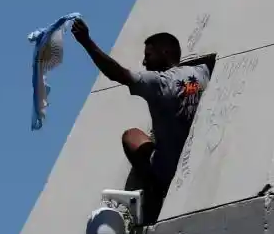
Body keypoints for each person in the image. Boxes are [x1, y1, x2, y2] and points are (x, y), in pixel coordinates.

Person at [71, 18, 209, 221]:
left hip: (167, 169)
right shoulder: (201, 72)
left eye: (148, 55)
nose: (144, 62)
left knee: (131, 136)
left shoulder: (160, 82)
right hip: (194, 158)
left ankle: (152, 189)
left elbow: (117, 74)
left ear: (165, 53)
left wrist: (86, 42)